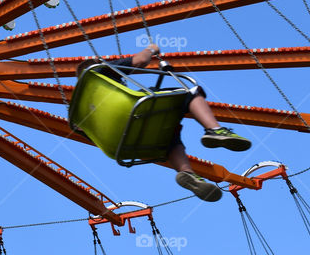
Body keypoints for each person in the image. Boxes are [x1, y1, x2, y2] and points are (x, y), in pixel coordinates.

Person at [78, 43, 251, 202]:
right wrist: (152, 49)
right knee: (189, 92)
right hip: (133, 114)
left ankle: (187, 173)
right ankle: (215, 130)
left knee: (168, 133)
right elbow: (141, 60)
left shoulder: (79, 109)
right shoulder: (101, 72)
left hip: (122, 144)